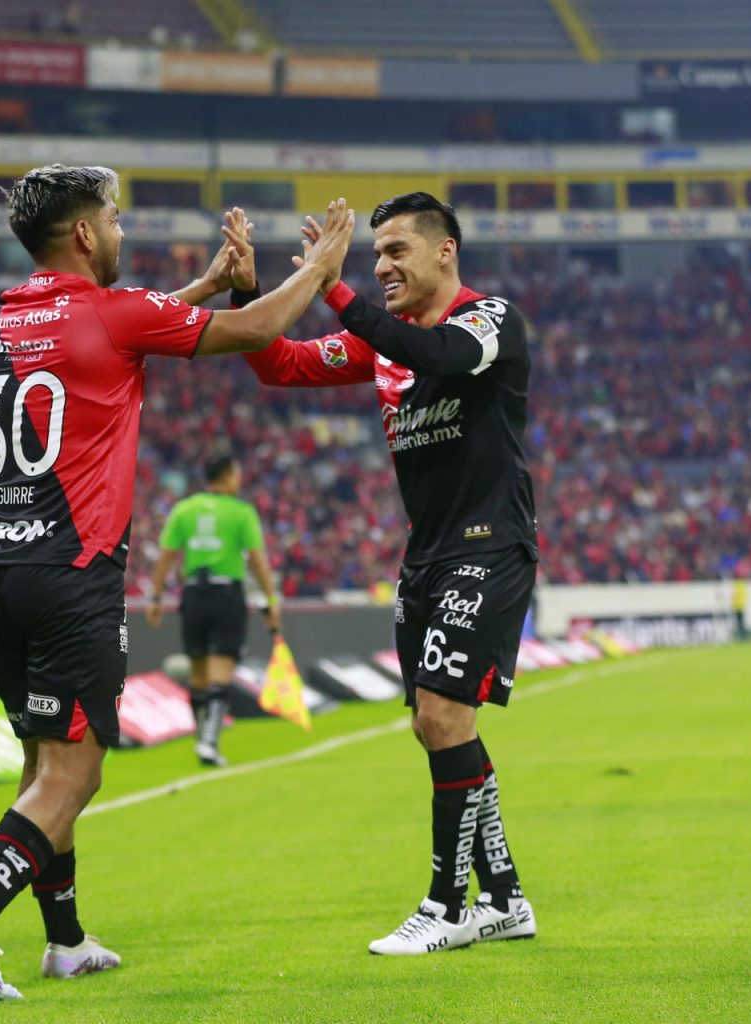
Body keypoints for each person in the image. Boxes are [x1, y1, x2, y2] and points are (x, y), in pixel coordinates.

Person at [0, 164, 355, 1002]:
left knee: (45, 761)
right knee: (77, 773)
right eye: (114, 219)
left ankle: (66, 941)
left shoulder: (11, 318)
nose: (121, 232)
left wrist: (205, 285)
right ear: (85, 233)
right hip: (72, 569)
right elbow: (250, 328)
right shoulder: (114, 314)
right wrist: (318, 269)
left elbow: (118, 334)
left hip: (0, 562)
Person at [233, 192, 539, 954]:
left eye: (397, 251)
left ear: (446, 252)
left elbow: (437, 357)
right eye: (373, 256)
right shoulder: (383, 341)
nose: (382, 267)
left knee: (441, 717)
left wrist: (335, 288)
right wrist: (247, 295)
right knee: (438, 727)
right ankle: (503, 897)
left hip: (488, 543)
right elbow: (283, 365)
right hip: (426, 554)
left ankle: (445, 909)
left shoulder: (489, 319)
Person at [146, 453, 282, 768]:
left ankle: (201, 737)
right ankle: (208, 742)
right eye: (236, 473)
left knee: (197, 673)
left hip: (193, 595)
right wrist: (270, 602)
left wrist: (155, 599)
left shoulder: (185, 509)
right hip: (226, 596)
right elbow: (257, 561)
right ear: (226, 476)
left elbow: (166, 557)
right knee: (220, 672)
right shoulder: (241, 512)